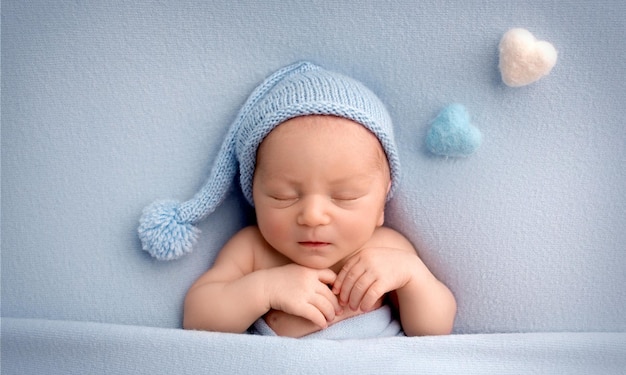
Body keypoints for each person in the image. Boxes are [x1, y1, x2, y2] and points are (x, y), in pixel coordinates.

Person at [138, 62, 456, 337]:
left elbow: (433, 330)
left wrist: (413, 276)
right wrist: (264, 290)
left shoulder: (388, 250)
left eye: (345, 196)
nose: (313, 215)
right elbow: (198, 317)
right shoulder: (253, 250)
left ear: (381, 203)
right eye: (283, 195)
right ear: (253, 193)